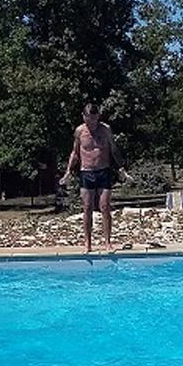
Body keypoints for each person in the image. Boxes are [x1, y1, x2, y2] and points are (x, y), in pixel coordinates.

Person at [59, 102, 132, 253]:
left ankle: (107, 242)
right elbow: (75, 153)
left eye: (94, 118)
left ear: (98, 116)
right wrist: (68, 172)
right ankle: (88, 243)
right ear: (83, 117)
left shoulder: (105, 130)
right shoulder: (79, 131)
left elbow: (113, 150)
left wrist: (121, 169)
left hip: (103, 171)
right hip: (86, 172)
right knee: (87, 208)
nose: (92, 122)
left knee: (105, 207)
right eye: (88, 119)